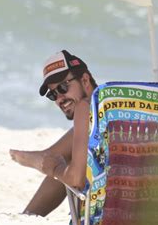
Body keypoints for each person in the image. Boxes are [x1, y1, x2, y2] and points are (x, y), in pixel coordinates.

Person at [9, 50, 97, 216]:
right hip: (150, 222)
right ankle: (41, 158)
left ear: (85, 80)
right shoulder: (120, 110)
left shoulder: (84, 107)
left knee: (63, 162)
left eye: (63, 87)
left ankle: (40, 159)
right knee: (70, 154)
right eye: (53, 95)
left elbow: (76, 179)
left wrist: (55, 169)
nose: (59, 99)